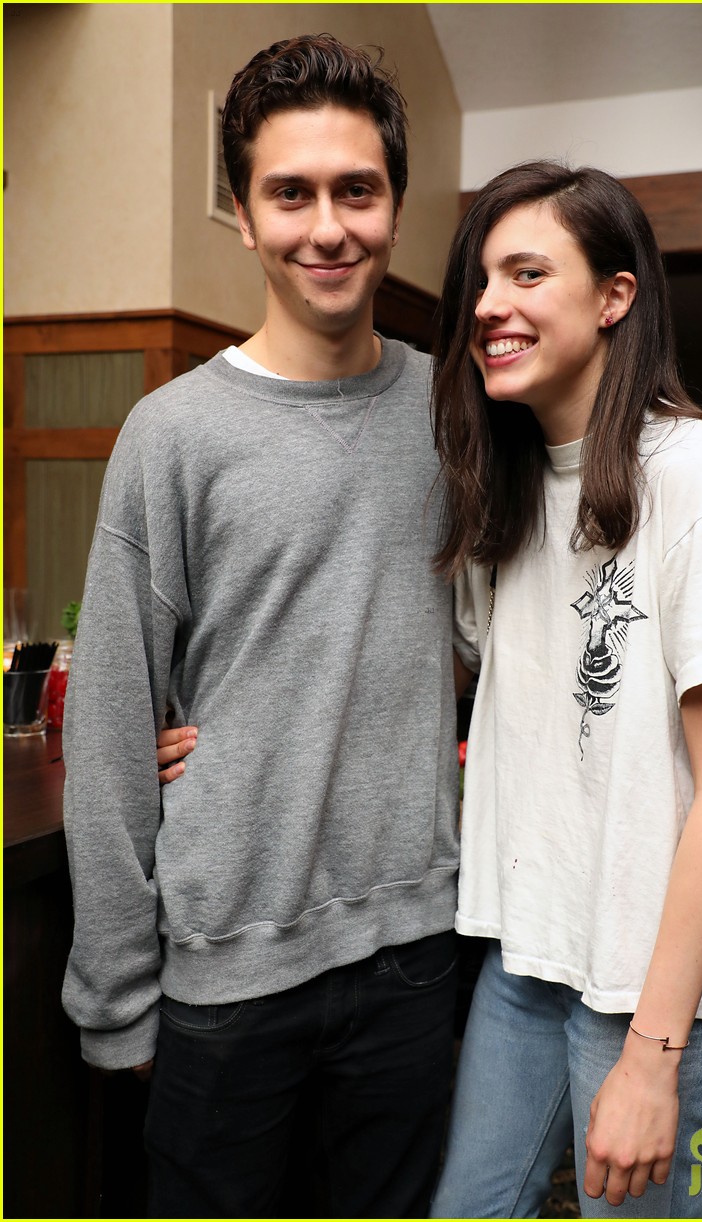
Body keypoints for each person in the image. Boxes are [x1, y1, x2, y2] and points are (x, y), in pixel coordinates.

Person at [61, 35, 461, 1218]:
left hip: (413, 953)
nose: (325, 227)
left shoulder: (452, 415)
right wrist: (116, 992)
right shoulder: (171, 434)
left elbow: (505, 633)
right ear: (243, 214)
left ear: (394, 206)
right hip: (225, 975)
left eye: (356, 190)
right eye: (290, 193)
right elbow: (113, 722)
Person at [426, 162, 702, 1219]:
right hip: (529, 959)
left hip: (657, 998)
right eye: (482, 279)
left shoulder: (697, 476)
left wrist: (650, 1059)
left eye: (528, 271)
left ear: (614, 295)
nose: (489, 305)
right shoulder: (506, 486)